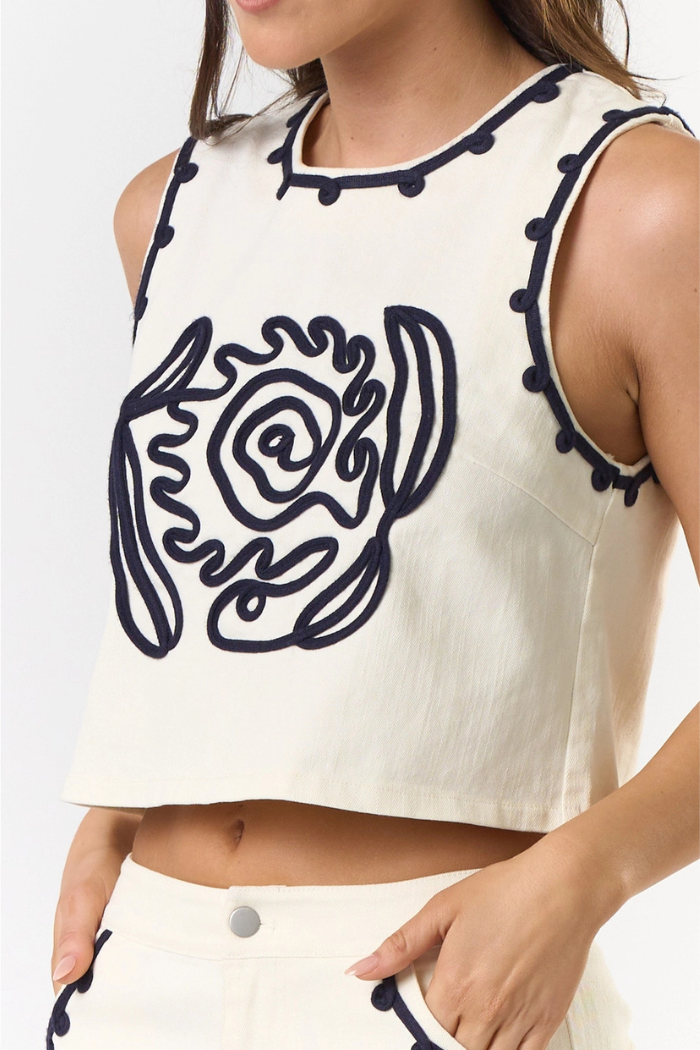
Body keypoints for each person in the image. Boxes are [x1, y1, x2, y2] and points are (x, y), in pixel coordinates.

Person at [48, 1, 698, 1048]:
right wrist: (131, 804)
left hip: (443, 986)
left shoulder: (641, 207)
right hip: (141, 979)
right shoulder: (167, 211)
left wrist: (587, 875)